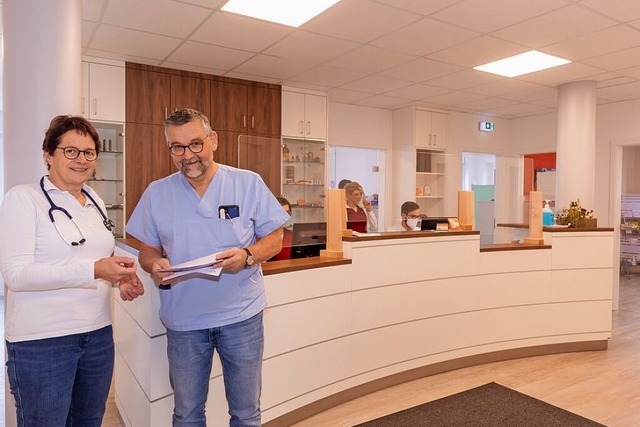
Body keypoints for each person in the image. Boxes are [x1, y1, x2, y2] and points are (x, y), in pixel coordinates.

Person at [125, 108, 289, 426]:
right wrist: (153, 264)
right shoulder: (157, 193)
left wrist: (247, 255)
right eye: (177, 147)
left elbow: (274, 239)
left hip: (241, 318)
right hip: (184, 323)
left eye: (196, 144)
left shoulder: (248, 183)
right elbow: (147, 249)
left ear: (213, 140)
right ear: (169, 148)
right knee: (187, 414)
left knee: (246, 412)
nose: (188, 155)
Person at [0, 115, 144, 427]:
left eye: (89, 152)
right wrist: (93, 269)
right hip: (42, 342)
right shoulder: (23, 199)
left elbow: (99, 256)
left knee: (89, 421)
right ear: (48, 155)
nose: (81, 160)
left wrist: (120, 279)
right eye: (70, 151)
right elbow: (16, 275)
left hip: (96, 336)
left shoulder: (94, 200)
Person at [270, 197, 293, 261]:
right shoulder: (262, 235)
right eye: (280, 212)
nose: (284, 216)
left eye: (287, 213)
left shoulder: (290, 235)